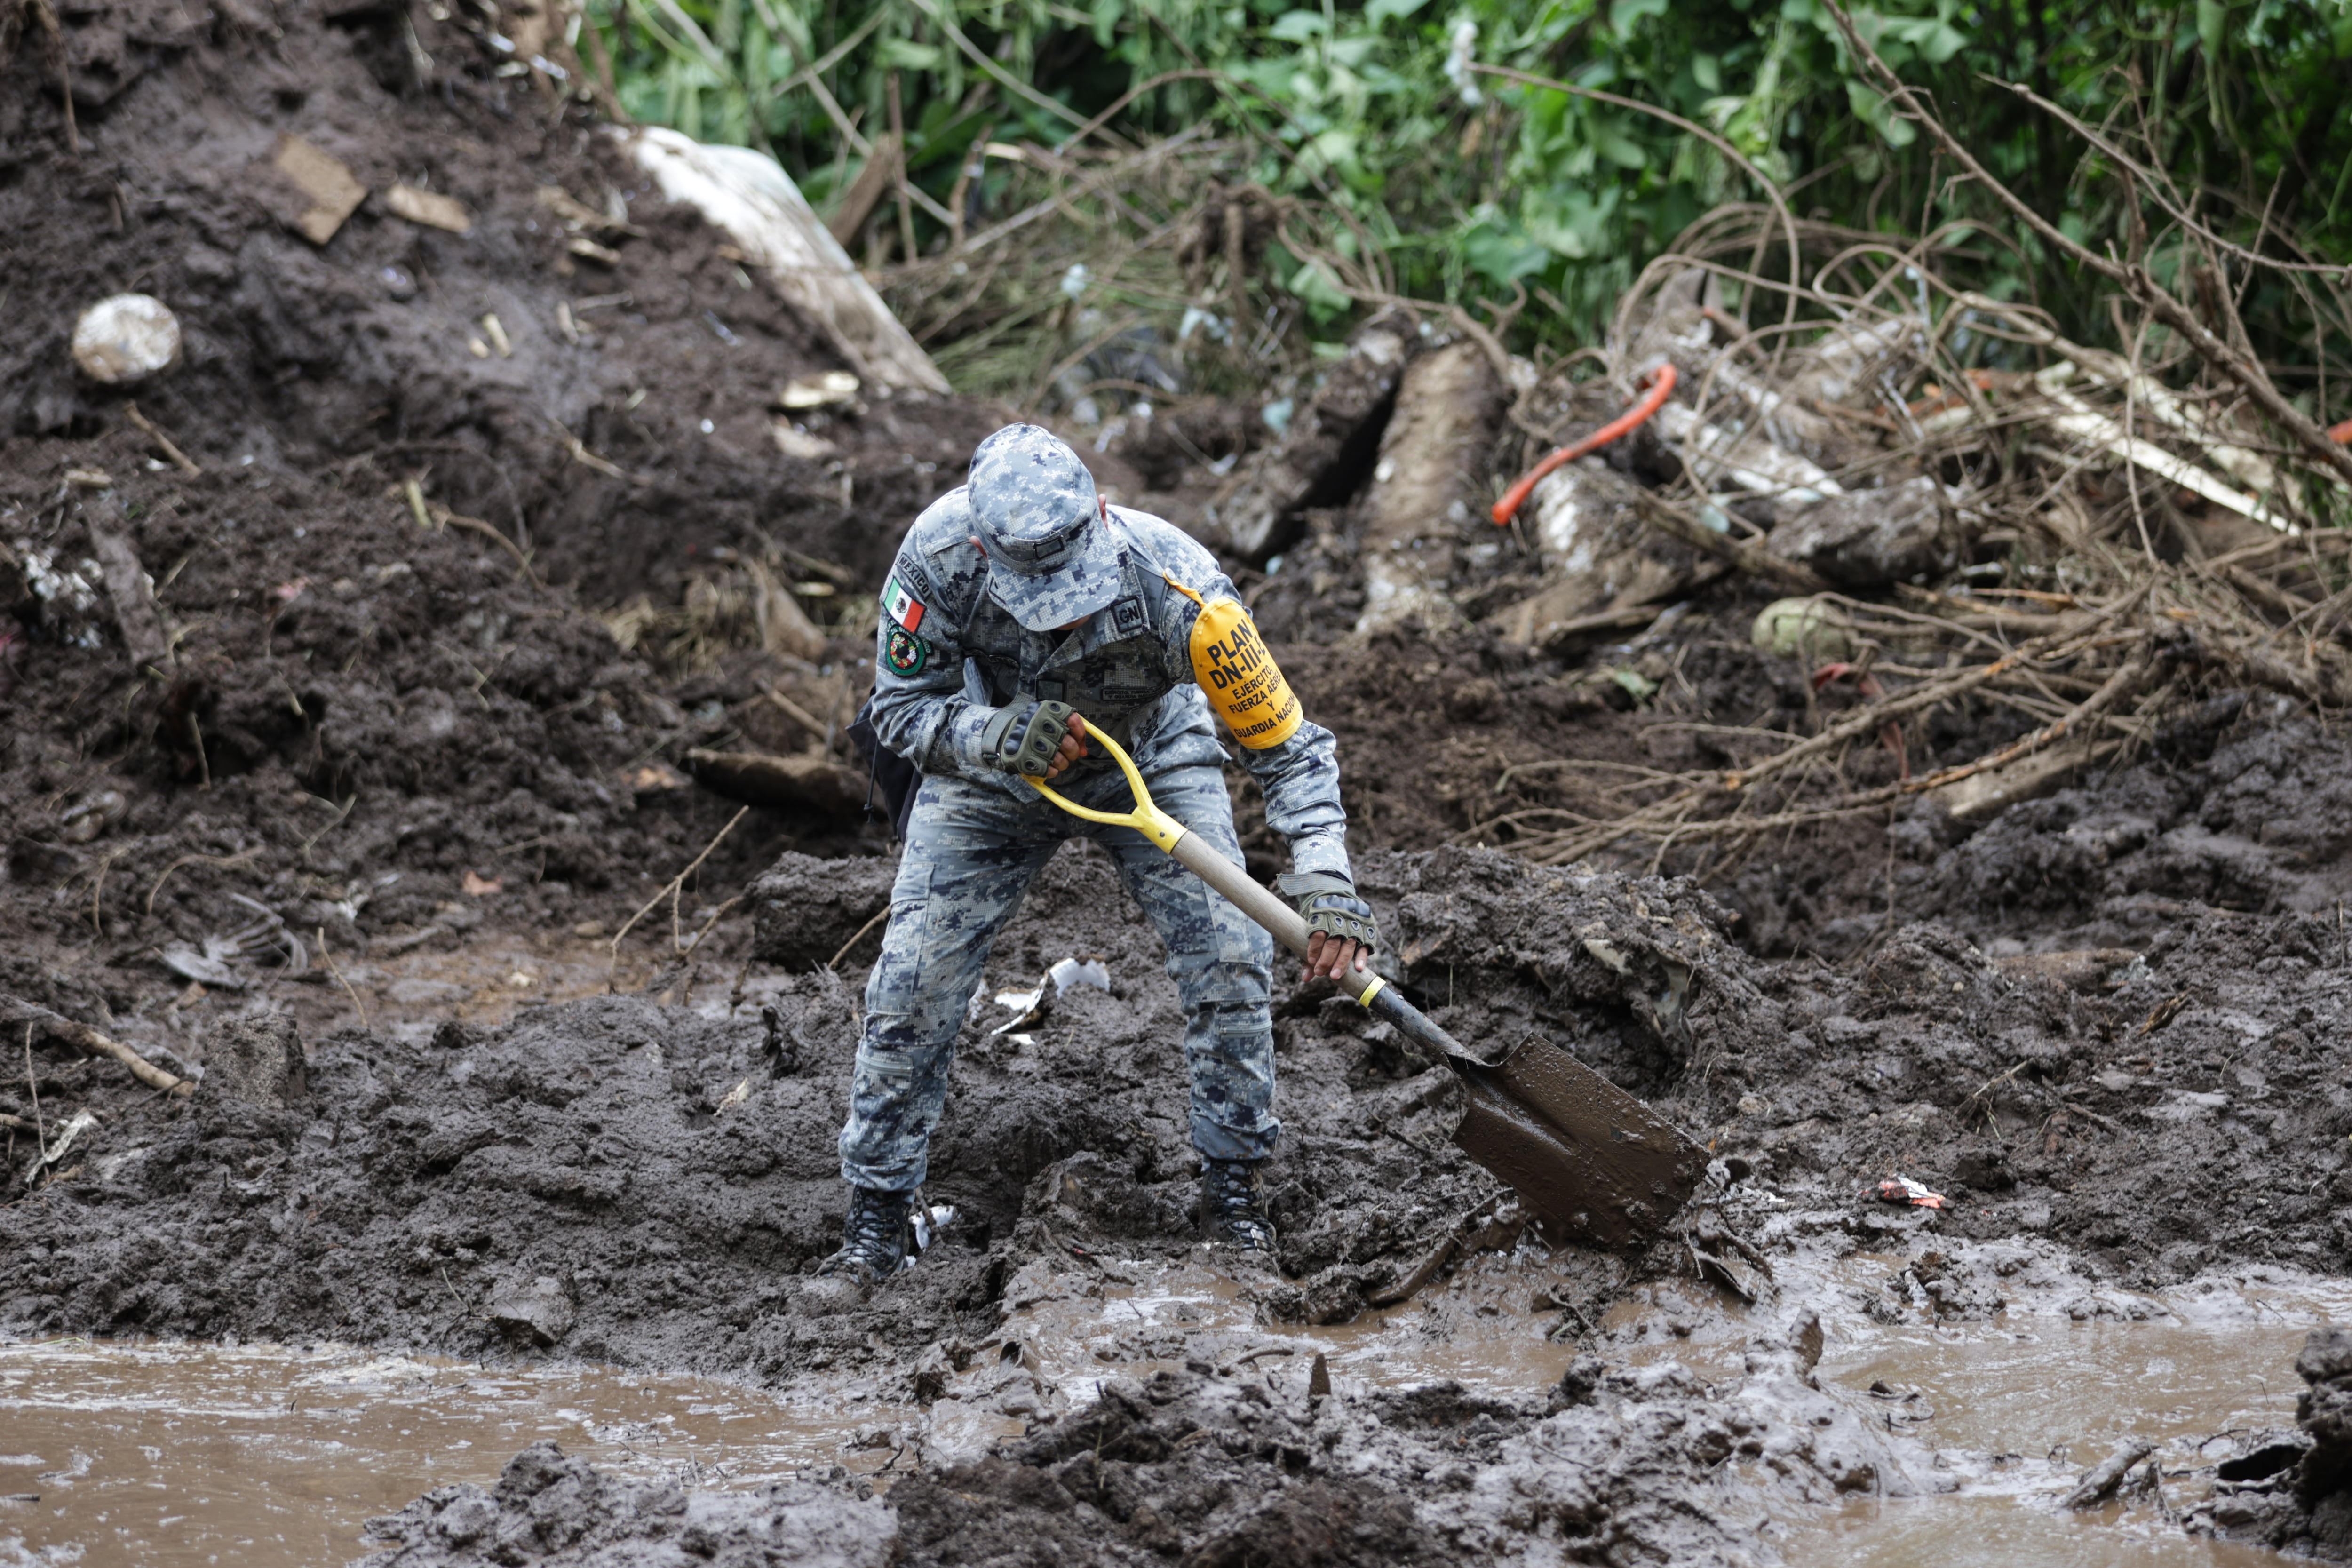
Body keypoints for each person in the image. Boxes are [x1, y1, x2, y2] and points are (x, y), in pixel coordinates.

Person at [826, 423, 1378, 1284]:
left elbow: (1291, 748)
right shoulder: (935, 561)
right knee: (912, 977)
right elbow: (899, 710)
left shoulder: (1183, 591)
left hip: (1149, 758)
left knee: (1232, 952)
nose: (1064, 610)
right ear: (983, 547)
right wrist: (991, 735)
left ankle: (1233, 1192)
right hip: (993, 769)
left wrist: (1326, 870)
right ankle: (878, 1214)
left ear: (1104, 514)